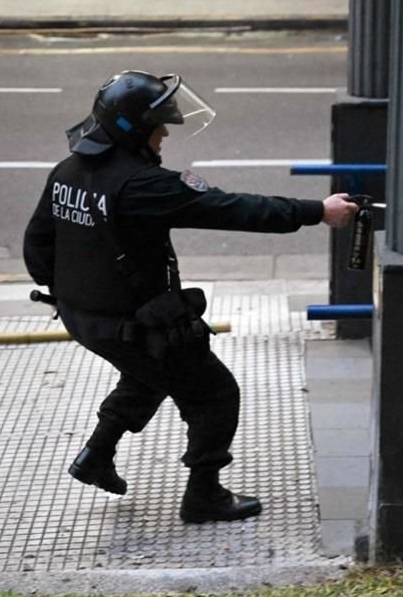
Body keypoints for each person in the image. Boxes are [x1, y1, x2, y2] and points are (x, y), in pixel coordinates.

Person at [22, 70, 358, 523]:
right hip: (128, 323)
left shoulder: (67, 171)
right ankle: (204, 496)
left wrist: (74, 298)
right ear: (132, 129)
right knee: (215, 393)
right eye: (158, 125)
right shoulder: (142, 185)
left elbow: (37, 243)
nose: (164, 133)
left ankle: (95, 457)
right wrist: (317, 212)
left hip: (85, 320)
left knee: (150, 372)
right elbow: (231, 208)